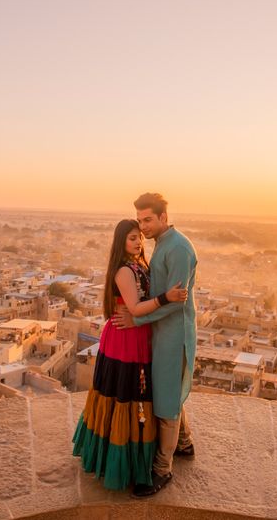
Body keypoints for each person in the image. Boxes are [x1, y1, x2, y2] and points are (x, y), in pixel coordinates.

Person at [71, 218, 187, 490]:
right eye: (132, 238)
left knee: (140, 392)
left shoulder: (139, 265)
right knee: (127, 394)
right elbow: (134, 308)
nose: (138, 242)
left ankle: (170, 445)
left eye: (139, 237)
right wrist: (166, 298)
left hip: (138, 335)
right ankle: (121, 459)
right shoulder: (124, 270)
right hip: (125, 338)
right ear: (121, 241)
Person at [112, 192, 198, 498]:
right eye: (140, 221)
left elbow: (177, 302)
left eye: (148, 219)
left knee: (165, 405)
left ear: (163, 217)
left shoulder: (177, 249)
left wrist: (137, 320)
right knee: (168, 392)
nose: (143, 226)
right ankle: (184, 443)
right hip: (162, 333)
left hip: (173, 334)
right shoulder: (165, 245)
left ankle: (162, 469)